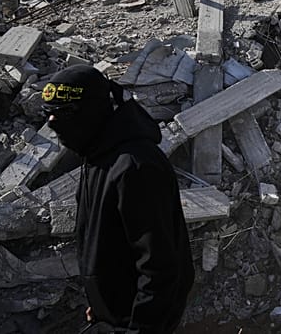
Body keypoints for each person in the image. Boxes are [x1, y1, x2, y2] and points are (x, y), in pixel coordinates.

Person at [41, 65, 194, 332]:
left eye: (63, 112)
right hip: (112, 319)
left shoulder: (135, 167)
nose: (53, 123)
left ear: (92, 111)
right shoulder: (97, 155)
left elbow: (162, 269)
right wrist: (101, 305)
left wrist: (140, 328)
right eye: (48, 113)